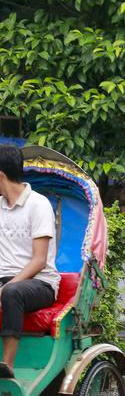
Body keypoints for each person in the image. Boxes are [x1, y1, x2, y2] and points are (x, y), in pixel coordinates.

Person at [0, 146, 60, 378]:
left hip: (40, 283)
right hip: (6, 279)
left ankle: (7, 366)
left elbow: (39, 261)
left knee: (11, 292)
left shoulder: (39, 204)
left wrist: (6, 287)